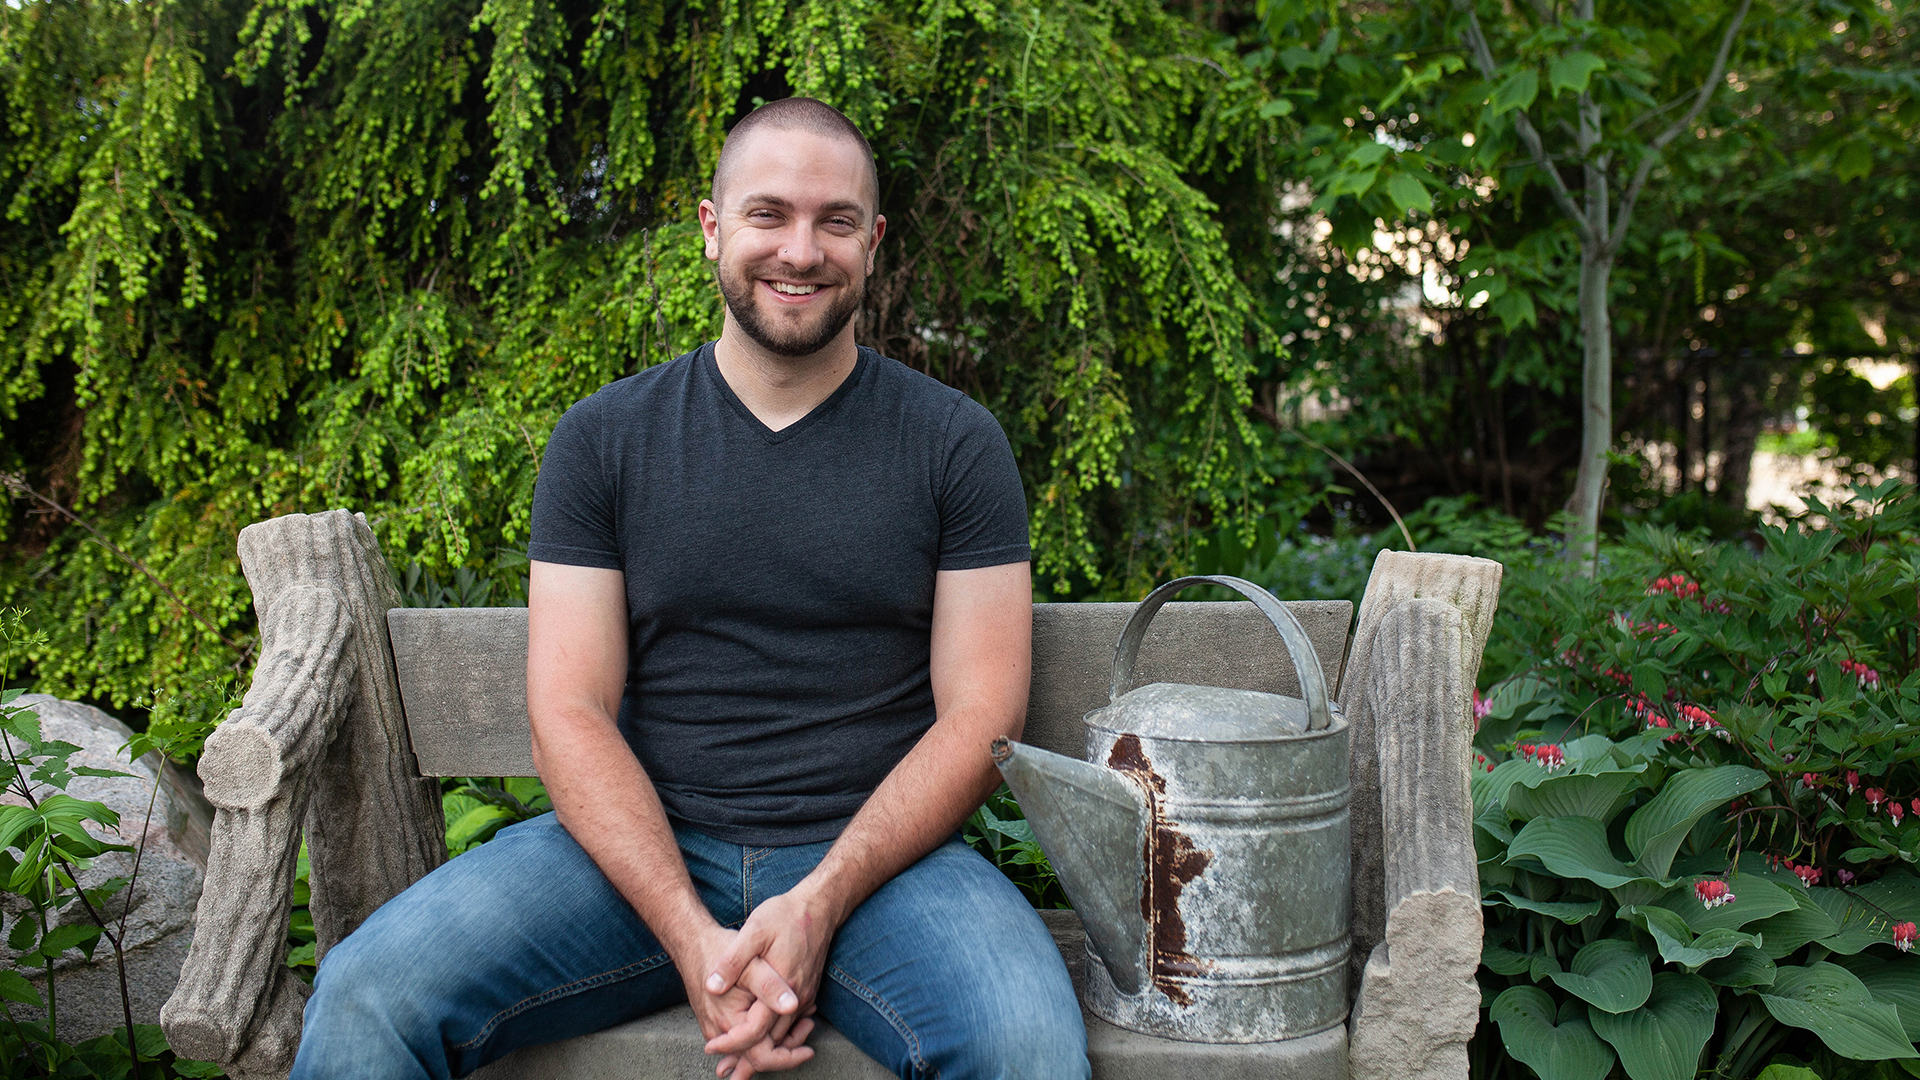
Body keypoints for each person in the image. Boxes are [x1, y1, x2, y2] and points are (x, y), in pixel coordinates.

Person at [289, 97, 1091, 1080]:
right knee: (368, 993)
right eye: (768, 214)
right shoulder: (605, 441)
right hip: (636, 858)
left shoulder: (954, 445)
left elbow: (981, 717)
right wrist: (692, 936)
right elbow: (568, 712)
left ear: (872, 244)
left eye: (835, 221)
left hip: (885, 870)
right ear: (712, 229)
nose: (801, 250)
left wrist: (820, 901)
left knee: (1029, 1043)